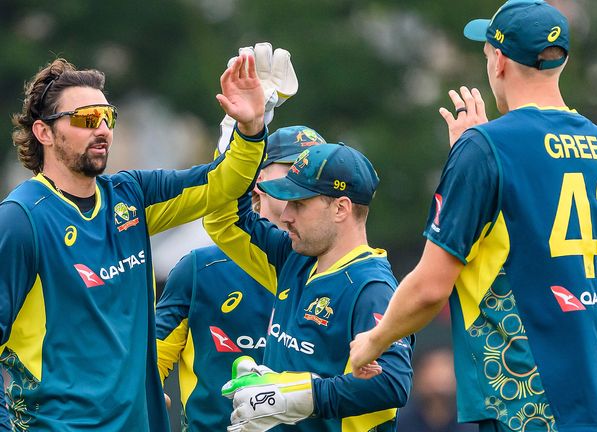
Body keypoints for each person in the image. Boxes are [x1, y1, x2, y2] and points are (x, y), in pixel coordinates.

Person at [349, 1, 597, 431]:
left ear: (500, 61)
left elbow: (430, 288)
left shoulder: (486, 150)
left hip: (524, 408)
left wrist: (372, 341)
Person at [0, 52, 268, 431]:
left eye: (108, 118)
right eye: (87, 120)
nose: (103, 130)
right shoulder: (20, 219)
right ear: (44, 132)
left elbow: (223, 183)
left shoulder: (131, 196)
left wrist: (251, 127)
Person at [203, 143, 414, 431]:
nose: (286, 215)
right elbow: (225, 215)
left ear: (341, 208)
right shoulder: (295, 256)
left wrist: (298, 395)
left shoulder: (372, 289)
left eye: (299, 204)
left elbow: (391, 383)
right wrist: (245, 134)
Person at [155, 125, 325, 432]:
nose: (305, 181)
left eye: (313, 171)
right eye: (293, 168)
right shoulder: (199, 270)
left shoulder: (334, 271)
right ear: (257, 180)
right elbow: (149, 365)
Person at [397, 347, 477, 432]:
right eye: (432, 371)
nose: (438, 377)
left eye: (444, 372)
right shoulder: (398, 423)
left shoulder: (474, 425)